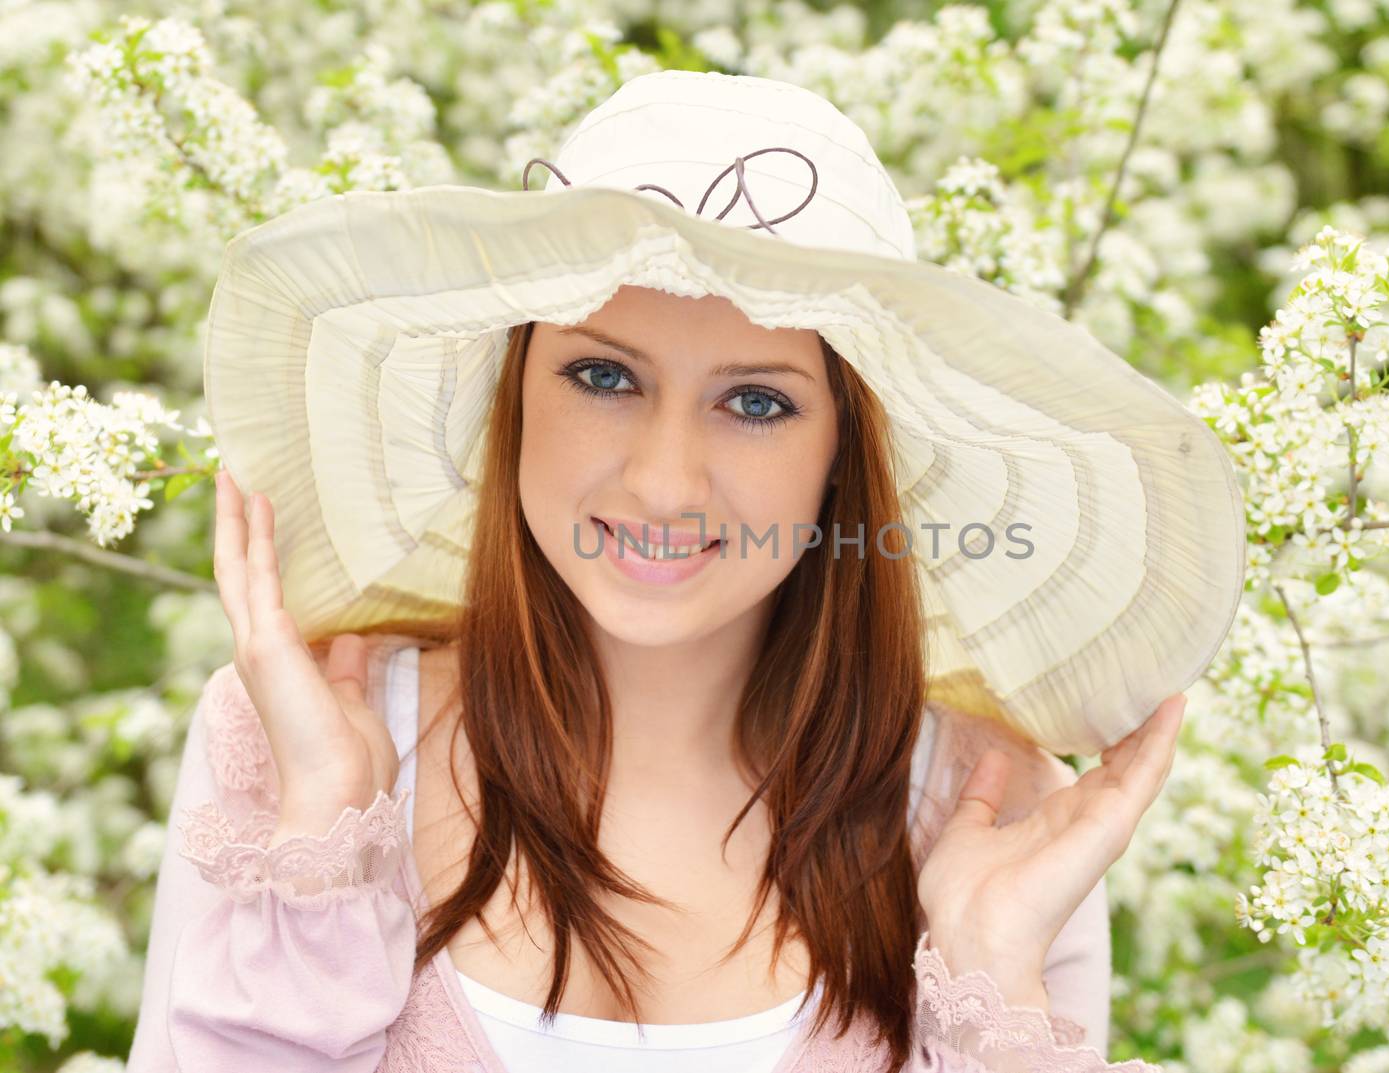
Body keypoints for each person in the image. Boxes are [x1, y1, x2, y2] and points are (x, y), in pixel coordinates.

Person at [127, 70, 1245, 1073]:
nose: (664, 482)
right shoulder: (303, 742)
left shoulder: (986, 823)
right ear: (515, 395)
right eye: (603, 376)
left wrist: (989, 981)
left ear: (844, 457)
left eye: (757, 401)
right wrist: (323, 847)